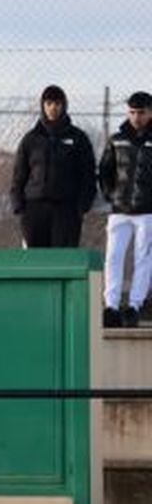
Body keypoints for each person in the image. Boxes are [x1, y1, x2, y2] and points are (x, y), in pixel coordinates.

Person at [12, 84, 96, 250]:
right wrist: (19, 205)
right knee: (36, 258)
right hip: (34, 207)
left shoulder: (78, 138)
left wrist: (83, 205)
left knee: (64, 257)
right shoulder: (31, 139)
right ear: (43, 106)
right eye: (49, 103)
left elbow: (88, 174)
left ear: (64, 106)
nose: (53, 108)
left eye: (57, 104)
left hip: (67, 208)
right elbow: (19, 174)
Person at [98, 91, 152, 327]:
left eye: (141, 112)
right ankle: (111, 306)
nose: (136, 117)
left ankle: (134, 307)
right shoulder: (117, 139)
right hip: (119, 211)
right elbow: (104, 171)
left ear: (150, 112)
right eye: (132, 112)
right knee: (113, 257)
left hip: (147, 212)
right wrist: (110, 196)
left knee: (144, 259)